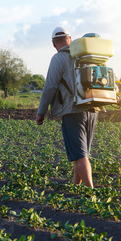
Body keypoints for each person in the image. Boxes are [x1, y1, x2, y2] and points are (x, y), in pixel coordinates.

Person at [35, 26, 99, 188]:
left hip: (73, 111)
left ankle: (91, 192)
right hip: (93, 110)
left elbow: (50, 86)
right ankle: (75, 188)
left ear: (53, 43)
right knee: (81, 153)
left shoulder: (58, 58)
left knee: (79, 155)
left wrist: (41, 112)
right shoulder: (85, 56)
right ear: (70, 39)